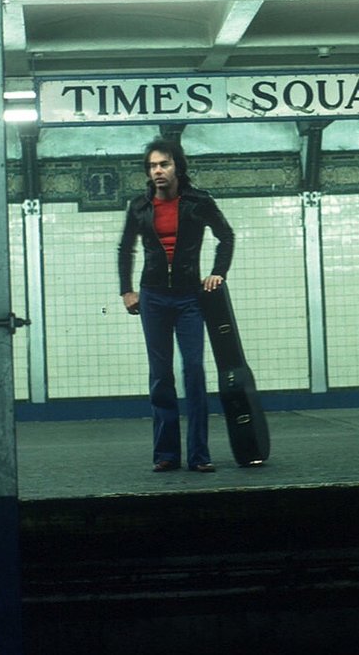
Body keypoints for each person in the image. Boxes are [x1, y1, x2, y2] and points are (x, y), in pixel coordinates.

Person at [118, 138, 235, 473]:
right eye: (152, 166)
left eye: (164, 164)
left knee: (194, 371)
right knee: (160, 375)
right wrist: (126, 290)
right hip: (153, 297)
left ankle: (199, 454)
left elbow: (226, 236)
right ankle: (166, 454)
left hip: (189, 298)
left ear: (177, 167)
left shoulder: (199, 201)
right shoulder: (139, 206)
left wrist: (218, 272)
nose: (157, 171)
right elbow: (125, 248)